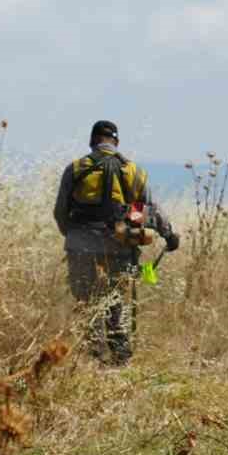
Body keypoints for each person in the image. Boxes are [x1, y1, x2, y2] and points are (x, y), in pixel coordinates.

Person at [53, 120, 178, 365]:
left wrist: (72, 234)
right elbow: (152, 208)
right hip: (119, 245)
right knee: (115, 300)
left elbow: (60, 212)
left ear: (92, 141)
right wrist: (169, 234)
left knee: (84, 299)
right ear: (116, 143)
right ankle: (120, 359)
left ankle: (93, 356)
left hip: (80, 243)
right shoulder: (133, 171)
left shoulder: (75, 169)